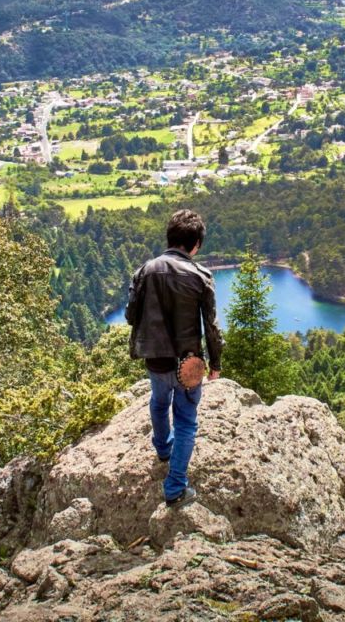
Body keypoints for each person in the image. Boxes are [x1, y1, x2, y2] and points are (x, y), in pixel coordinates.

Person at [125, 208, 223, 508]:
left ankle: (163, 450)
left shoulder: (144, 271)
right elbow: (212, 326)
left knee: (158, 401)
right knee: (186, 421)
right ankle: (176, 486)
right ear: (196, 245)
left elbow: (130, 315)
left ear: (170, 238)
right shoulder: (200, 276)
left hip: (155, 358)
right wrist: (216, 363)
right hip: (188, 364)